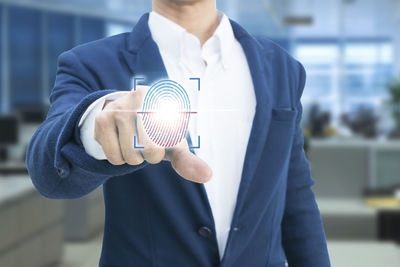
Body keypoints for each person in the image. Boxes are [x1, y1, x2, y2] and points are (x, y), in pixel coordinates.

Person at [26, 0, 331, 266]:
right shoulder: (91, 63)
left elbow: (295, 194)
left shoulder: (283, 68)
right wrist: (97, 125)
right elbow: (49, 173)